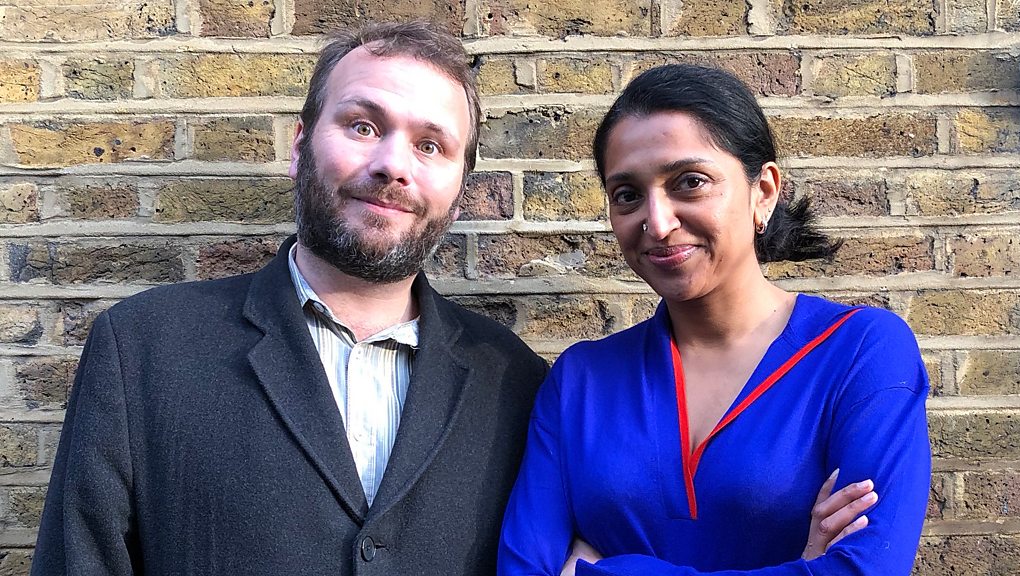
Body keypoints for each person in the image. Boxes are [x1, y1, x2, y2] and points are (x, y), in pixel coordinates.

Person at [32, 21, 548, 576]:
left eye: (430, 145)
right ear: (300, 146)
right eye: (363, 126)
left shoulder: (516, 382)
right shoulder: (143, 348)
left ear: (461, 188)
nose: (394, 166)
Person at [498, 63, 931, 575]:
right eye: (628, 195)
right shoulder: (581, 381)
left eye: (690, 182)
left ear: (763, 192)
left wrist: (600, 571)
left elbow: (865, 569)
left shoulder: (860, 352)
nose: (657, 222)